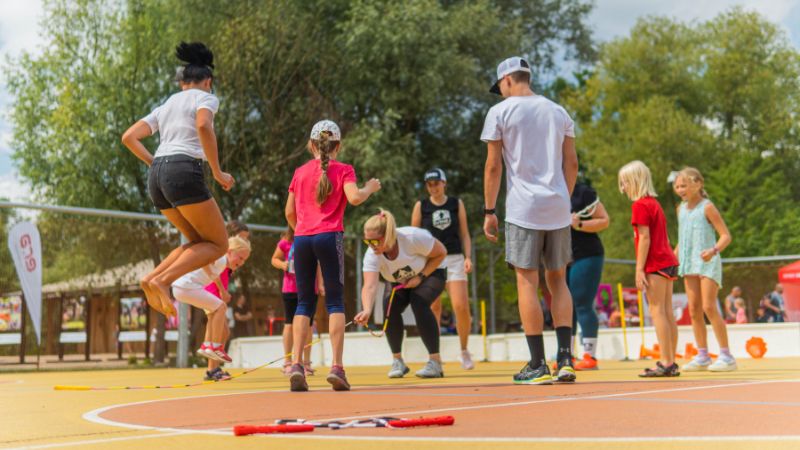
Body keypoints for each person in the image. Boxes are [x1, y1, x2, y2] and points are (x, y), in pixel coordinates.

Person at [481, 56, 579, 384]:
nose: (501, 93)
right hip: (557, 208)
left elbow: (493, 166)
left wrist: (489, 211)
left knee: (527, 281)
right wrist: (562, 199)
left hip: (523, 209)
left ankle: (538, 364)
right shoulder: (558, 111)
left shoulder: (500, 112)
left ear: (507, 79)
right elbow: (572, 164)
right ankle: (566, 358)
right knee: (558, 281)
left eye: (501, 88)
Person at [122, 42, 234, 317]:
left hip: (157, 177)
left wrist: (154, 163)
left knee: (199, 243)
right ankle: (162, 280)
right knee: (220, 245)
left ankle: (153, 278)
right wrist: (218, 172)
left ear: (182, 81)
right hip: (184, 170)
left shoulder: (167, 104)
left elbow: (129, 137)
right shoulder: (205, 98)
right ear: (207, 81)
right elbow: (203, 125)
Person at [285, 119, 381, 391]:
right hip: (330, 236)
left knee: (303, 303)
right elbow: (354, 198)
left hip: (302, 238)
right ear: (337, 146)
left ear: (311, 145)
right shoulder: (344, 170)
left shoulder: (300, 172)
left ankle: (296, 365)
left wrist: (303, 229)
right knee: (335, 303)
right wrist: (371, 188)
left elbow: (289, 213)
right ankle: (337, 367)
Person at [354, 209, 448, 378]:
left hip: (431, 272)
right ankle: (398, 361)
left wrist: (420, 277)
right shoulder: (372, 254)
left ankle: (435, 362)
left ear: (388, 235)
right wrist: (367, 309)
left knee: (418, 302)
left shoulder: (412, 237)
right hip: (400, 282)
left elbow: (441, 253)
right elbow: (369, 285)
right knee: (388, 306)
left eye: (375, 241)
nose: (371, 245)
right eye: (367, 241)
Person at [618, 161, 679, 377]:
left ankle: (666, 361)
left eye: (624, 182)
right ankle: (671, 360)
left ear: (634, 181)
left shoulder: (640, 206)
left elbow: (644, 238)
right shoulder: (654, 204)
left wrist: (639, 269)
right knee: (667, 311)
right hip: (668, 259)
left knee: (657, 311)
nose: (623, 187)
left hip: (655, 262)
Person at [673, 167, 737, 372]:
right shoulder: (680, 209)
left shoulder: (707, 207)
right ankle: (702, 355)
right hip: (689, 263)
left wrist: (714, 250)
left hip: (708, 262)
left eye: (684, 185)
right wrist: (672, 258)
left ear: (698, 184)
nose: (680, 189)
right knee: (693, 310)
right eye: (677, 186)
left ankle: (726, 356)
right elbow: (682, 239)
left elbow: (726, 235)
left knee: (709, 307)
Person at [411, 168, 475, 370]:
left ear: (444, 183)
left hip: (455, 258)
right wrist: (417, 264)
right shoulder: (421, 206)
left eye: (437, 183)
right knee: (433, 307)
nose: (434, 188)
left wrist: (468, 257)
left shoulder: (456, 204)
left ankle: (464, 350)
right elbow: (413, 236)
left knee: (461, 306)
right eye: (430, 184)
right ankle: (434, 355)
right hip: (431, 260)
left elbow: (464, 233)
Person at [171, 236, 251, 364]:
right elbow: (205, 261)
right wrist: (217, 283)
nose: (241, 263)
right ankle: (215, 346)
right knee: (220, 307)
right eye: (240, 258)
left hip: (182, 288)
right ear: (229, 251)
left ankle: (207, 346)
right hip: (186, 286)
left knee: (215, 308)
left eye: (244, 260)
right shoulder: (221, 258)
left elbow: (208, 267)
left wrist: (213, 276)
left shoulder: (222, 263)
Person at [568, 181, 610, 371]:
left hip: (586, 255)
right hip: (560, 258)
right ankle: (566, 354)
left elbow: (604, 220)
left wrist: (580, 224)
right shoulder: (547, 191)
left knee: (582, 304)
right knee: (565, 307)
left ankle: (589, 356)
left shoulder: (582, 192)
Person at [203, 220, 249, 381]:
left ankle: (214, 366)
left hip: (218, 289)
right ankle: (211, 369)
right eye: (243, 238)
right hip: (212, 289)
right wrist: (221, 290)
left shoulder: (230, 257)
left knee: (224, 331)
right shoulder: (223, 252)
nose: (246, 241)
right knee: (217, 327)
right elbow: (212, 271)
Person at [270, 226, 318, 376]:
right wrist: (283, 264)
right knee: (289, 324)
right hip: (290, 288)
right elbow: (274, 259)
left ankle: (306, 362)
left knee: (308, 325)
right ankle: (288, 362)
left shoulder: (313, 238)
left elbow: (319, 264)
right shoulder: (285, 242)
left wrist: (321, 284)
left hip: (310, 288)